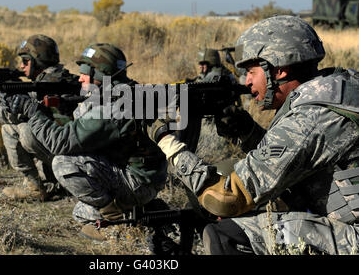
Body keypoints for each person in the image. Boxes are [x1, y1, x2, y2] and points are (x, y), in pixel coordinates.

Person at [144, 15, 359, 255]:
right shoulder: (336, 89)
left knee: (227, 235)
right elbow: (290, 159)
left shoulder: (310, 118)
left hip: (354, 239)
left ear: (278, 69)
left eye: (251, 71)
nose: (246, 82)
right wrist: (246, 131)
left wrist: (166, 140)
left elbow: (226, 199)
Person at [6, 43, 168, 241]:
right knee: (80, 211)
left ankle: (118, 222)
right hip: (146, 178)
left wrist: (33, 112)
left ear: (100, 75)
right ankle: (144, 211)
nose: (80, 77)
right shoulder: (124, 91)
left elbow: (61, 142)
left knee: (63, 163)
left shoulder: (112, 105)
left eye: (85, 72)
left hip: (138, 183)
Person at [0, 34, 80, 201]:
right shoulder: (57, 78)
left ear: (39, 61)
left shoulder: (46, 85)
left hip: (71, 154)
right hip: (66, 149)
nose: (21, 66)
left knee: (22, 130)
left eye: (25, 61)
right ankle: (40, 185)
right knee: (18, 128)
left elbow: (9, 116)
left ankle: (42, 187)